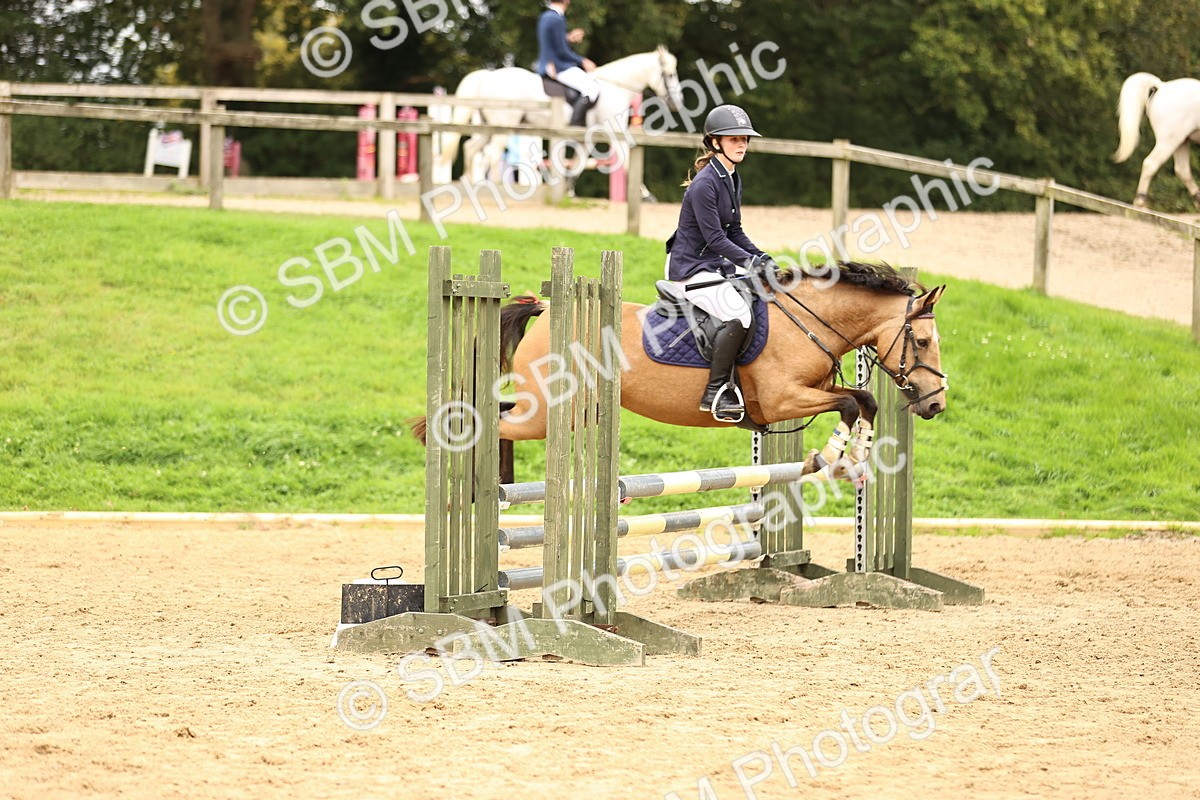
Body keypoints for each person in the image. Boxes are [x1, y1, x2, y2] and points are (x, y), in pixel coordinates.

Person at [666, 104, 777, 422]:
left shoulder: (730, 177)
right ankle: (715, 391)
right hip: (690, 268)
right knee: (738, 314)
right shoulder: (705, 184)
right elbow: (715, 238)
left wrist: (762, 257)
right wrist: (749, 261)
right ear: (715, 142)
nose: (742, 145)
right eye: (734, 139)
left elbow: (735, 231)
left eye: (745, 139)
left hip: (715, 264)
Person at [535, 0, 599, 127]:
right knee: (592, 88)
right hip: (557, 66)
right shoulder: (557, 19)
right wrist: (583, 61)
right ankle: (575, 126)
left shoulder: (545, 16)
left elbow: (551, 42)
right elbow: (562, 52)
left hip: (545, 64)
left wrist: (568, 38)